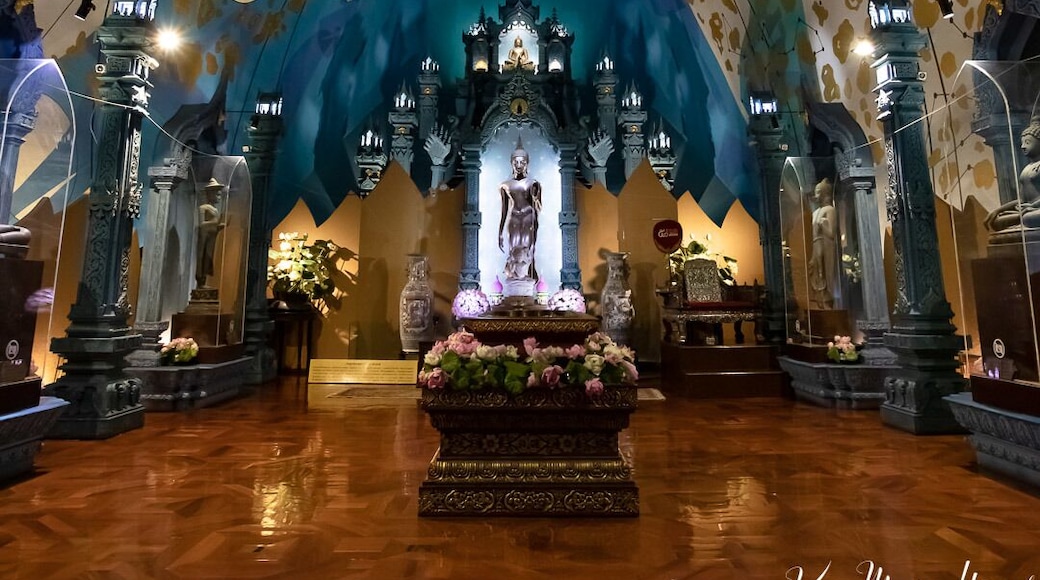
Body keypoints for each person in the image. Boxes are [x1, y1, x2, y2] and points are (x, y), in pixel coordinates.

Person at [985, 116, 1040, 233]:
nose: (1023, 146)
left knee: (1030, 217)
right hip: (1027, 210)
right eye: (1022, 143)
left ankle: (1023, 220)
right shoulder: (1027, 168)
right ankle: (1021, 220)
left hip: (1035, 210)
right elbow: (1022, 199)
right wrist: (998, 210)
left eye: (1028, 142)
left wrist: (1033, 206)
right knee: (997, 220)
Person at [498, 138, 542, 281]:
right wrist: (500, 233)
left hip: (529, 216)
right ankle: (513, 276)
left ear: (527, 163)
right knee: (513, 248)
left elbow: (539, 208)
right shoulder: (506, 185)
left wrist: (535, 197)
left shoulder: (533, 183)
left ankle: (529, 275)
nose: (519, 165)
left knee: (528, 248)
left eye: (522, 162)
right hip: (514, 217)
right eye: (516, 162)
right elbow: (504, 210)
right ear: (511, 163)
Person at [808, 178, 838, 309]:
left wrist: (824, 224)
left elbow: (831, 233)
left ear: (825, 193)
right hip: (816, 246)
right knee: (815, 273)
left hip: (826, 246)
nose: (816, 195)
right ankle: (819, 300)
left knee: (824, 273)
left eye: (819, 192)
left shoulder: (830, 210)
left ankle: (827, 302)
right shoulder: (815, 213)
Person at [195, 178, 226, 289]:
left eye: (219, 195)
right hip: (204, 237)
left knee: (209, 259)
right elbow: (201, 225)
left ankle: (205, 280)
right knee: (203, 258)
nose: (219, 197)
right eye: (217, 194)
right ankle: (200, 281)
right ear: (210, 194)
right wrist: (215, 223)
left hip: (212, 237)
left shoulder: (215, 210)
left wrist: (218, 227)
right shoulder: (203, 208)